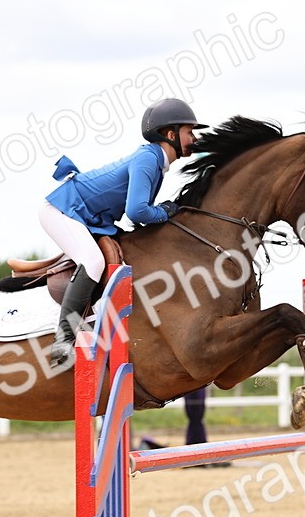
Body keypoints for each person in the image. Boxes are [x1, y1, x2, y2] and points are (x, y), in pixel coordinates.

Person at [40, 98, 206, 366]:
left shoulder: (155, 161)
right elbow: (137, 211)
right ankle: (63, 340)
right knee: (92, 262)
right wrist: (166, 211)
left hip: (87, 216)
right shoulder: (148, 159)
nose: (194, 138)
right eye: (190, 132)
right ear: (171, 134)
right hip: (63, 210)